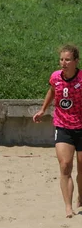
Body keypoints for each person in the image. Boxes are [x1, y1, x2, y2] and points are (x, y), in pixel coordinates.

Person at [33, 44, 82, 218]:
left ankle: (81, 195)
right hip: (63, 126)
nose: (64, 63)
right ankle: (68, 207)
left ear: (76, 61)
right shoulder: (55, 77)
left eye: (68, 59)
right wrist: (42, 110)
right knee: (65, 166)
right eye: (61, 59)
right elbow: (52, 91)